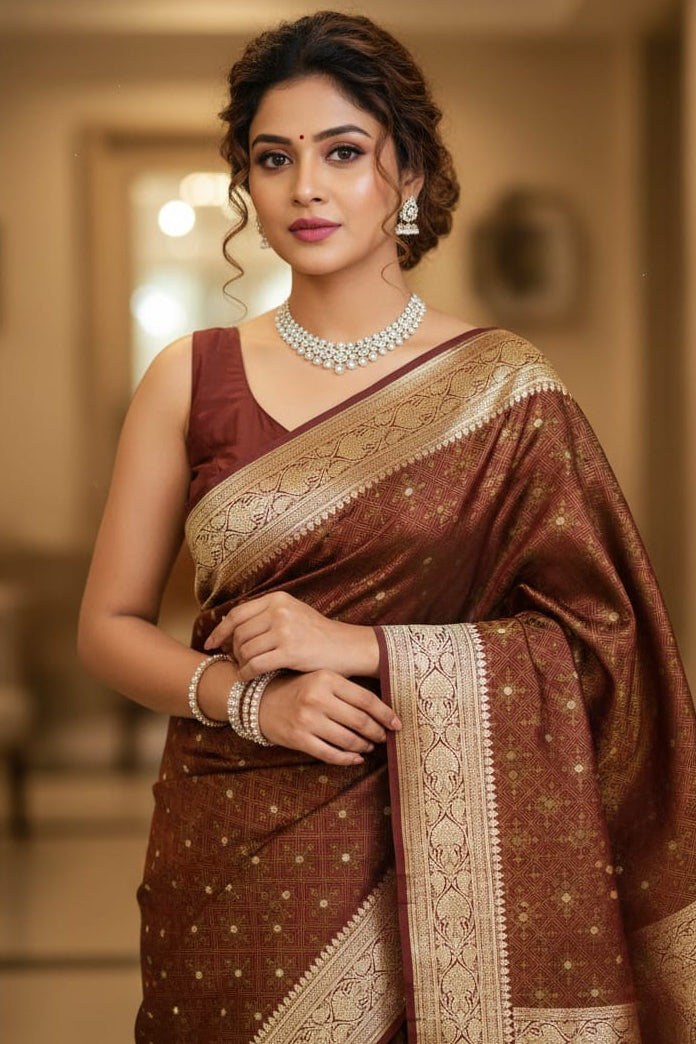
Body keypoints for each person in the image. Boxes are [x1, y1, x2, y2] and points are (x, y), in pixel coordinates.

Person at [78, 10, 696, 1043]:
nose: (305, 188)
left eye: (343, 152)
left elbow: (608, 647)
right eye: (274, 158)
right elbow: (107, 628)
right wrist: (253, 704)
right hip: (237, 853)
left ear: (407, 174)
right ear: (248, 184)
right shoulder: (189, 376)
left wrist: (364, 647)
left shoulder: (506, 391)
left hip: (458, 858)